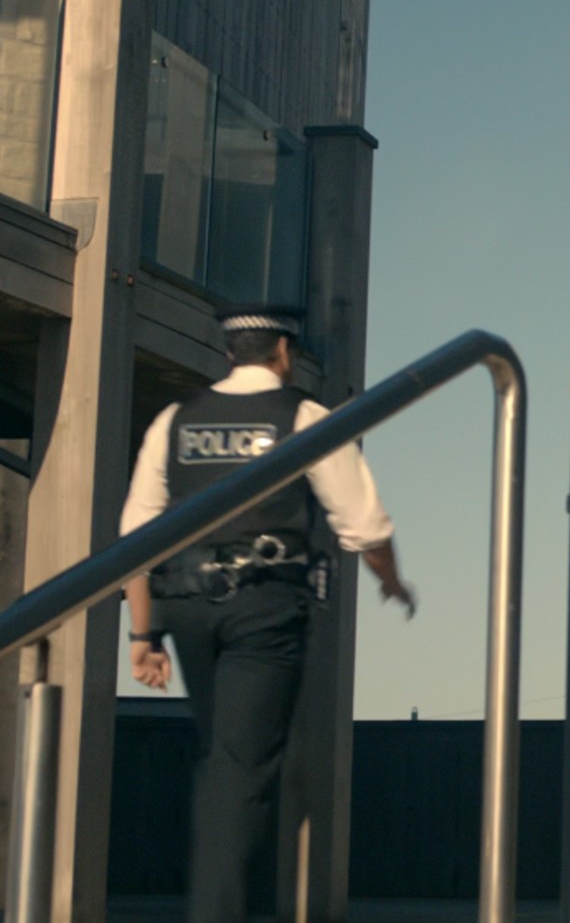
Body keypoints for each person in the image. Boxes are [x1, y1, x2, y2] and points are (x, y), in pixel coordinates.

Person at [119, 303, 413, 923]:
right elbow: (363, 523)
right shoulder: (301, 417)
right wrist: (392, 582)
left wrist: (143, 634)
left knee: (224, 755)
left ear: (229, 354)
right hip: (264, 605)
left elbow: (136, 536)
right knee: (239, 767)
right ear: (283, 352)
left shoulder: (176, 420)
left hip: (185, 605)